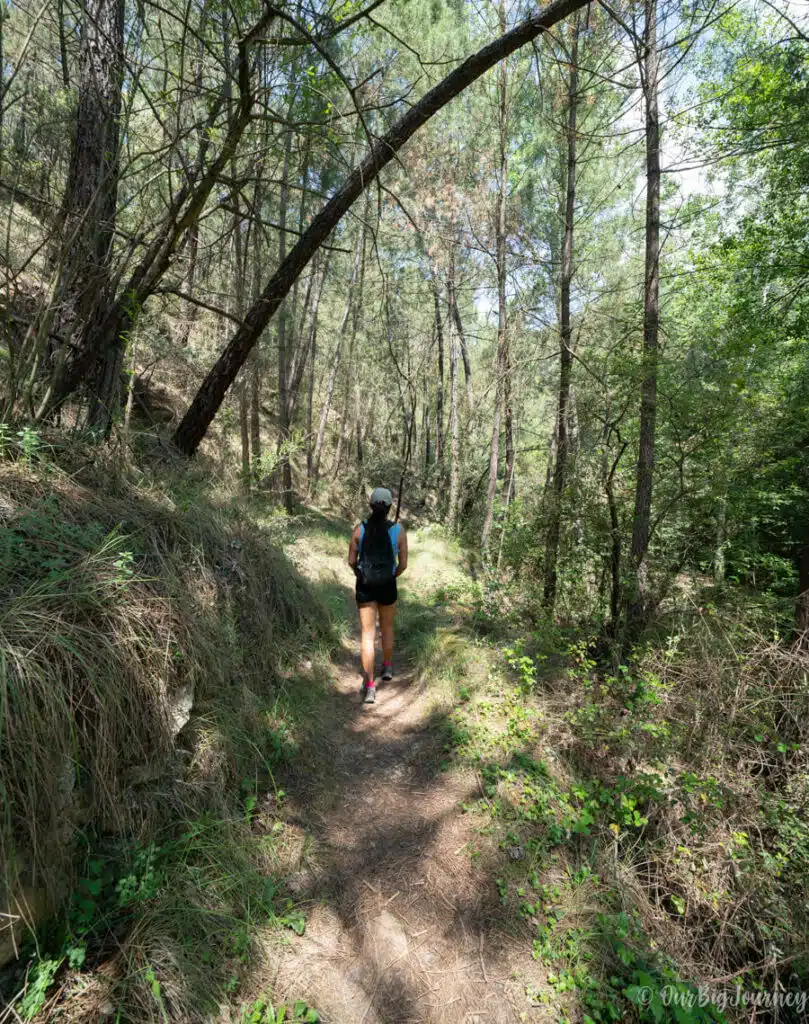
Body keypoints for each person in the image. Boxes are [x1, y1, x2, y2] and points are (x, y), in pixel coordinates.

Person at [347, 487, 408, 703]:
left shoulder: (359, 530)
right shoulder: (398, 531)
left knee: (367, 635)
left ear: (371, 506)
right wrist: (392, 575)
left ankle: (370, 686)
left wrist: (359, 574)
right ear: (390, 507)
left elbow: (352, 561)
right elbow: (403, 565)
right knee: (388, 628)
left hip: (366, 586)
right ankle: (388, 667)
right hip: (387, 585)